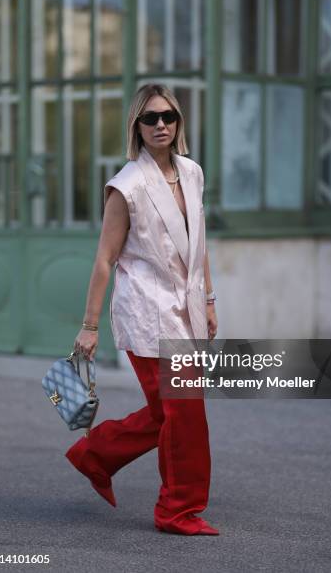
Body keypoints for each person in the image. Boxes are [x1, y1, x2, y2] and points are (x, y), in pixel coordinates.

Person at [65, 83, 219, 536]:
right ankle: (177, 509)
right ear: (137, 126)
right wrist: (89, 326)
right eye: (150, 118)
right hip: (145, 313)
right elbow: (104, 259)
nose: (160, 125)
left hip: (185, 310)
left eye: (168, 116)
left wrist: (209, 299)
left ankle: (94, 455)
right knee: (184, 412)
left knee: (165, 414)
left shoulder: (192, 173)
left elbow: (199, 243)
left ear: (179, 123)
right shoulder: (126, 185)